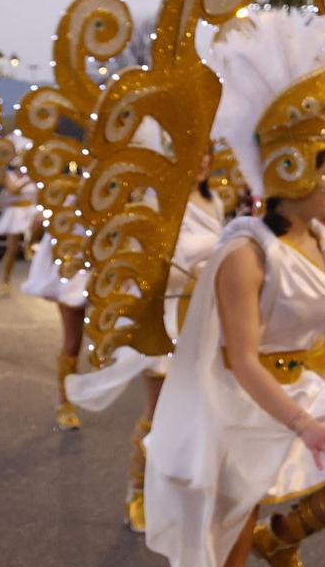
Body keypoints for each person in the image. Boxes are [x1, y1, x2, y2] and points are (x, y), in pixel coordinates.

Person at [146, 148, 325, 567]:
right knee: (227, 566)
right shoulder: (245, 255)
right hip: (236, 405)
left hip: (299, 386)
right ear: (294, 176)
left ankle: (281, 538)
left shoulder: (322, 241)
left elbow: (312, 338)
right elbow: (244, 362)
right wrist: (306, 426)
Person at [66, 152, 224, 531]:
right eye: (193, 151)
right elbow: (149, 268)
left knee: (199, 414)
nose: (199, 161)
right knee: (157, 414)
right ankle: (135, 492)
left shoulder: (215, 201)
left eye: (206, 154)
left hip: (202, 319)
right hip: (164, 319)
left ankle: (177, 493)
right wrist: (194, 274)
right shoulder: (157, 202)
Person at [0, 158, 40, 291]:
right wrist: (27, 180)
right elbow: (13, 190)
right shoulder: (8, 176)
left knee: (41, 225)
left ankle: (29, 244)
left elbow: (40, 195)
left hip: (31, 211)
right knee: (12, 249)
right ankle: (6, 278)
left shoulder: (34, 176)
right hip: (15, 213)